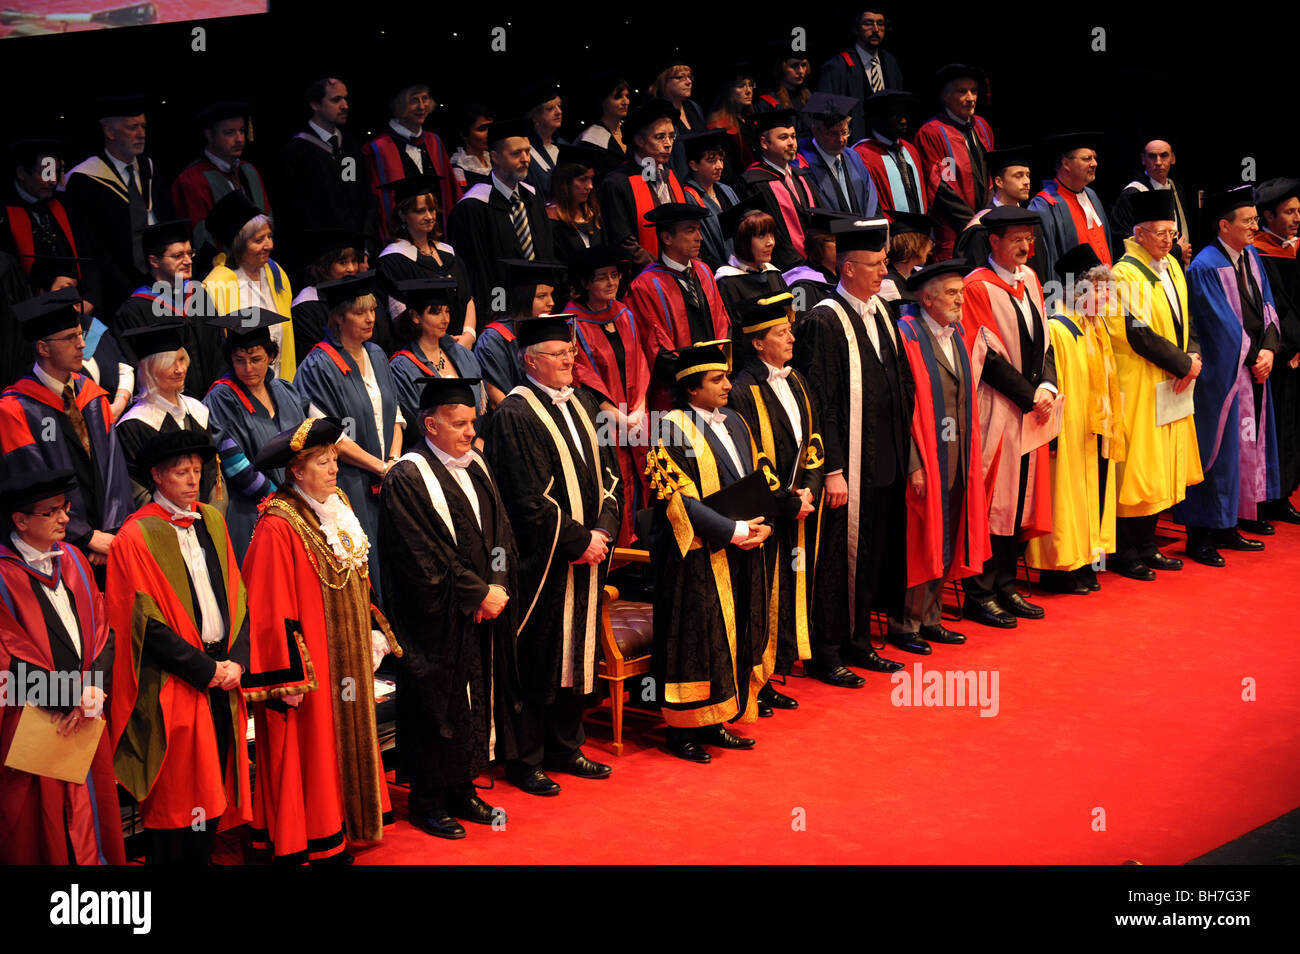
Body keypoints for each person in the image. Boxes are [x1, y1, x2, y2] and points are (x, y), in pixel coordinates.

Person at [241, 418, 400, 862]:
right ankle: (313, 835)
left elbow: (356, 576)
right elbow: (268, 604)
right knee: (312, 748)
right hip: (311, 667)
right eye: (322, 461)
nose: (334, 468)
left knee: (348, 738)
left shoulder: (338, 504)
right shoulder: (278, 523)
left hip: (347, 656)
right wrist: (287, 675)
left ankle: (346, 824)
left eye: (333, 458)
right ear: (296, 470)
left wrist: (371, 628)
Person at [480, 315, 620, 795]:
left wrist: (603, 529)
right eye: (558, 353)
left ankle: (566, 744)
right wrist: (579, 542)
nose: (568, 360)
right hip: (540, 563)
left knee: (575, 654)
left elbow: (612, 476)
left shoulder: (583, 403)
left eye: (570, 352)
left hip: (587, 557)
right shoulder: (515, 415)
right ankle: (526, 758)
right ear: (530, 360)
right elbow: (526, 498)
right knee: (538, 655)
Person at [379, 378, 517, 840]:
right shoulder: (407, 476)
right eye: (458, 425)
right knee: (437, 702)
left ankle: (463, 786)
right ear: (430, 424)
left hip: (480, 611)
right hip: (433, 617)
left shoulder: (476, 464)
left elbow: (500, 531)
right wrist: (475, 593)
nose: (469, 433)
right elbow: (420, 557)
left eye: (472, 423)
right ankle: (428, 799)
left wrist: (495, 586)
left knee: (474, 698)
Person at [107, 430, 251, 865]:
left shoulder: (212, 519)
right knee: (175, 802)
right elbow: (143, 625)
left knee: (211, 792)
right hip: (172, 681)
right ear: (156, 475)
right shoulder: (136, 535)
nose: (193, 479)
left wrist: (236, 662)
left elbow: (238, 595)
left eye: (196, 470)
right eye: (180, 472)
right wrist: (205, 670)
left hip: (221, 673)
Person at [792, 217, 914, 686]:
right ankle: (827, 651)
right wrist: (835, 469)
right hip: (847, 467)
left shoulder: (880, 310)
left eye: (884, 263)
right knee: (835, 561)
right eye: (876, 264)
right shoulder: (823, 320)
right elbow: (818, 402)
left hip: (883, 459)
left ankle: (861, 641)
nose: (884, 272)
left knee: (873, 553)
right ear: (847, 269)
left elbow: (898, 380)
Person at [644, 340, 775, 760]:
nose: (726, 385)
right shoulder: (667, 428)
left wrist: (763, 523)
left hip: (740, 545)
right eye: (716, 379)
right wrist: (732, 529)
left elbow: (758, 477)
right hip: (694, 556)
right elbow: (678, 500)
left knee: (730, 636)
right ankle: (681, 730)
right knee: (696, 638)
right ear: (691, 387)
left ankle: (718, 719)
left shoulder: (736, 421)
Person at [0, 469, 124, 865]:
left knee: (95, 817)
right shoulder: (3, 577)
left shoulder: (72, 560)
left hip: (86, 716)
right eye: (51, 512)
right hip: (35, 725)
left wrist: (92, 694)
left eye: (65, 508)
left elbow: (105, 633)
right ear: (20, 520)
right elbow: (6, 661)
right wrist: (70, 696)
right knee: (46, 832)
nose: (66, 519)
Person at [959, 206, 1057, 626]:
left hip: (1028, 408)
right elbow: (986, 354)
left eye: (1028, 239)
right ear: (993, 241)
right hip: (996, 408)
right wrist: (1028, 393)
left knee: (1016, 501)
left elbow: (1046, 341)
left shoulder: (1031, 280)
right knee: (991, 500)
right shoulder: (976, 287)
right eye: (1016, 239)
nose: (1024, 246)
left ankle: (1005, 584)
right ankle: (978, 594)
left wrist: (1048, 386)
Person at [726, 295, 824, 711]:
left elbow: (814, 441)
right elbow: (750, 458)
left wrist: (811, 487)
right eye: (781, 333)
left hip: (798, 506)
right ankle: (754, 680)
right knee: (761, 594)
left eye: (789, 330)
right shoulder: (741, 390)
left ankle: (775, 671)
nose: (790, 338)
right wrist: (786, 500)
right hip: (765, 511)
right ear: (757, 342)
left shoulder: (798, 380)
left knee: (789, 587)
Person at [1173, 187, 1281, 565]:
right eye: (1248, 221)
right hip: (1220, 379)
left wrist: (1269, 348)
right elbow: (1222, 326)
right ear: (1224, 225)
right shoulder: (1205, 266)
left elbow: (1267, 305)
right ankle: (1199, 536)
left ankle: (1228, 524)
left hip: (1249, 370)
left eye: (1255, 219)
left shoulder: (1250, 256)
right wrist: (1254, 356)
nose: (1255, 226)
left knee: (1241, 450)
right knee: (1215, 452)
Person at [888, 262, 988, 651]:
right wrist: (914, 462)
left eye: (960, 292)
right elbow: (901, 407)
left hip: (957, 453)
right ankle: (905, 624)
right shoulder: (907, 336)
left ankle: (931, 616)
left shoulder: (958, 333)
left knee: (946, 533)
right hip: (926, 456)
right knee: (919, 539)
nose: (959, 299)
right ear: (926, 298)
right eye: (951, 293)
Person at [0, 289, 133, 577]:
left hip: (109, 544)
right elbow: (33, 482)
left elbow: (115, 474)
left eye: (80, 334)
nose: (82, 344)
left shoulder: (92, 397)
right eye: (71, 337)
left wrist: (111, 534)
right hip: (55, 549)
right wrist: (85, 537)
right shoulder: (15, 409)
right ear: (43, 348)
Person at [1105, 188, 1203, 577]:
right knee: (1139, 467)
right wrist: (1182, 364)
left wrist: (1191, 355)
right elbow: (1135, 333)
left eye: (1172, 233)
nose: (1168, 241)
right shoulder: (1123, 273)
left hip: (1173, 378)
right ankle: (1127, 551)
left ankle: (1149, 545)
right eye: (1160, 233)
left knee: (1163, 463)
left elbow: (1186, 319)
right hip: (1141, 381)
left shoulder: (1174, 267)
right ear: (1139, 233)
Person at [293, 272, 403, 599]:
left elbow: (395, 414)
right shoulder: (318, 365)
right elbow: (332, 435)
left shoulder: (379, 355)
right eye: (359, 312)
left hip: (387, 478)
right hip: (349, 483)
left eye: (372, 310)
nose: (370, 318)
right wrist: (380, 467)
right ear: (338, 318)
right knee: (363, 569)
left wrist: (394, 461)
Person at [1025, 244, 1125, 594]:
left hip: (1095, 427)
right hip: (1068, 431)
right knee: (1066, 497)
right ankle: (1058, 570)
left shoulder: (1094, 327)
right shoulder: (1060, 329)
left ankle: (1084, 561)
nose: (1104, 296)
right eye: (1098, 289)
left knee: (1093, 492)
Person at [202, 308, 317, 562]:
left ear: (272, 356)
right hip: (253, 512)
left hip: (299, 504)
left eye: (256, 359)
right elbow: (234, 463)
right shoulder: (221, 398)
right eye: (239, 360)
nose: (248, 368)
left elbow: (306, 442)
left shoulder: (285, 390)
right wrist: (280, 501)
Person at [564, 246, 650, 546]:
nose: (611, 283)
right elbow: (581, 374)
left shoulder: (625, 314)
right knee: (614, 480)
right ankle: (618, 555)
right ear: (586, 283)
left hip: (635, 416)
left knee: (642, 477)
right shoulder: (572, 321)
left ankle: (641, 550)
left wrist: (638, 409)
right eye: (602, 278)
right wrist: (616, 415)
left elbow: (640, 362)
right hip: (602, 420)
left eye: (614, 276)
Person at [446, 117, 555, 318]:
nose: (525, 159)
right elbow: (480, 272)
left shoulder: (531, 197)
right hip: (500, 309)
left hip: (538, 307)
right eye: (516, 153)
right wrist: (500, 314)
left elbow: (546, 254)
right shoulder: (474, 206)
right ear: (494, 157)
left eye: (527, 151)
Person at [63, 95, 162, 316]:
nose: (142, 134)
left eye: (143, 126)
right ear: (110, 132)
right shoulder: (84, 180)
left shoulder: (149, 169)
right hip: (112, 293)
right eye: (132, 127)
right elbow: (88, 245)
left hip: (158, 284)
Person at [626, 203, 731, 410]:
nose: (699, 238)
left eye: (699, 230)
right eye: (690, 230)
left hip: (714, 388)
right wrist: (695, 381)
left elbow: (722, 322)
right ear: (667, 238)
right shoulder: (645, 285)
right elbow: (654, 346)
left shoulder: (704, 272)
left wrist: (715, 376)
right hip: (675, 393)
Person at [115, 323, 224, 510]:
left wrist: (211, 517)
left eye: (182, 360)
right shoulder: (134, 424)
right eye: (170, 363)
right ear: (150, 369)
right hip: (161, 526)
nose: (180, 369)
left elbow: (214, 476)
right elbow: (136, 489)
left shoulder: (197, 410)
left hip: (205, 520)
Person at [113, 218, 224, 398]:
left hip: (214, 400)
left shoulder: (198, 295)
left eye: (190, 253)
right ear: (154, 261)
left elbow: (220, 350)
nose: (188, 261)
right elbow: (136, 368)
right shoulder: (135, 310)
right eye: (178, 256)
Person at [274, 77, 371, 273]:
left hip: (352, 254)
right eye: (336, 100)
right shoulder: (297, 151)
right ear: (315, 104)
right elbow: (294, 212)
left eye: (345, 99)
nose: (345, 105)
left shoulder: (348, 145)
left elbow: (357, 197)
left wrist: (362, 250)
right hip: (317, 259)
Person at [201, 190, 297, 381]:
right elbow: (216, 350)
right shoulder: (216, 285)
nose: (268, 245)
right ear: (239, 245)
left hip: (280, 383)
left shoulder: (275, 272)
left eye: (269, 236)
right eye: (259, 240)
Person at [28, 254, 133, 422]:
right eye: (64, 288)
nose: (81, 343)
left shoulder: (92, 327)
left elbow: (124, 368)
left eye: (75, 288)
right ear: (42, 293)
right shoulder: (35, 340)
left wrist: (118, 405)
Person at [375, 174, 475, 350]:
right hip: (422, 351)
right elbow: (400, 316)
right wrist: (442, 343)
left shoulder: (447, 253)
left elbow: (467, 298)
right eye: (420, 211)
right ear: (402, 214)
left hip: (462, 347)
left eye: (432, 209)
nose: (429, 216)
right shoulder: (393, 260)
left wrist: (468, 335)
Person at [170, 101, 272, 271]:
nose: (239, 139)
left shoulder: (249, 170)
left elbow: (268, 215)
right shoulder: (192, 179)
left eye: (241, 131)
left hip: (260, 265)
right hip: (222, 273)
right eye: (229, 133)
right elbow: (200, 236)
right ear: (210, 135)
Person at [1251, 177, 1300, 524]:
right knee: (1275, 427)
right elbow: (1276, 307)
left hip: (1296, 353)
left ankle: (1283, 494)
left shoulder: (1293, 248)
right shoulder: (1259, 253)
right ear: (1268, 216)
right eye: (1289, 212)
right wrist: (1292, 347)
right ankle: (1267, 497)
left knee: (1293, 427)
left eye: (1299, 211)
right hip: (1278, 355)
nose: (1297, 217)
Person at [389, 277, 485, 441]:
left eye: (447, 311)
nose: (445, 319)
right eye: (435, 312)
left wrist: (477, 441)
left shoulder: (463, 355)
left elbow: (481, 411)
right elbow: (416, 421)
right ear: (415, 316)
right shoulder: (402, 367)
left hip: (473, 444)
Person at [913, 65, 994, 260]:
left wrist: (989, 215)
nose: (970, 98)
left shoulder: (982, 127)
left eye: (974, 91)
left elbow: (993, 174)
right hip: (954, 232)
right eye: (962, 91)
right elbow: (940, 187)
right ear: (945, 97)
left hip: (985, 226)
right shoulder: (932, 133)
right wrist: (973, 222)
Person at [364, 83, 461, 243]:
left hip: (437, 237)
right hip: (398, 241)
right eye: (414, 100)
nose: (422, 106)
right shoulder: (377, 149)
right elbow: (372, 205)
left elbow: (451, 190)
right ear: (399, 105)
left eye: (425, 99)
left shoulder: (434, 142)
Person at [598, 98, 687, 268]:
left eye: (671, 136)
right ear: (639, 140)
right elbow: (623, 241)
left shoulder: (672, 176)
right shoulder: (618, 183)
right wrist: (663, 268)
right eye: (660, 137)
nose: (668, 144)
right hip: (645, 276)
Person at [2, 139, 88, 304]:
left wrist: (91, 299)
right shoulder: (5, 213)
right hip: (27, 307)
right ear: (22, 173)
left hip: (77, 301)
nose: (53, 181)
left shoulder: (67, 205)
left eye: (56, 172)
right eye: (46, 173)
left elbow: (89, 255)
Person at [473, 259, 566, 407]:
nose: (551, 302)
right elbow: (500, 400)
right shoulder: (494, 339)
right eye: (541, 296)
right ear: (522, 298)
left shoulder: (544, 331)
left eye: (551, 295)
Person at [740, 109, 822, 271]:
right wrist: (799, 265)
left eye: (793, 136)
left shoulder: (801, 176)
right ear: (764, 143)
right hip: (784, 269)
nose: (791, 142)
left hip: (817, 263)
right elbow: (762, 232)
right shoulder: (753, 182)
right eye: (783, 137)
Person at [954, 145, 1048, 283]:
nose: (1027, 181)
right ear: (999, 182)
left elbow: (1040, 269)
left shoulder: (1032, 221)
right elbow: (976, 281)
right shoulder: (981, 227)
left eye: (1028, 175)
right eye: (1018, 176)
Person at [1029, 132, 1112, 285]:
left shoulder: (1092, 196)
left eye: (1094, 158)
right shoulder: (1045, 206)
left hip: (1103, 294)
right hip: (1074, 298)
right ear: (1066, 163)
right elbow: (1048, 263)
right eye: (1087, 158)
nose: (1094, 163)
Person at [816, 7, 905, 143]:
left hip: (887, 144)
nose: (875, 29)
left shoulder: (891, 63)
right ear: (856, 29)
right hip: (853, 146)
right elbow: (823, 115)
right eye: (868, 23)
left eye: (880, 24)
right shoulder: (836, 67)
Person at [1108, 140, 1194, 266]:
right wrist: (1175, 251)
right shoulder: (1133, 193)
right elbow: (1124, 241)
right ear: (1143, 159)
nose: (1158, 162)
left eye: (1164, 155)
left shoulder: (1177, 189)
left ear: (1173, 158)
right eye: (1152, 156)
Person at [713, 199, 790, 332]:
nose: (770, 242)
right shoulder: (727, 282)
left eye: (771, 234)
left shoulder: (773, 274)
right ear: (743, 241)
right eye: (761, 236)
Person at [798, 92, 878, 216]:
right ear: (816, 132)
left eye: (844, 132)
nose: (841, 139)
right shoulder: (804, 165)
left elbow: (871, 199)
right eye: (832, 133)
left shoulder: (853, 157)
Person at [290, 227, 366, 356]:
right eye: (343, 263)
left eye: (354, 261)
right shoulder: (307, 306)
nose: (351, 269)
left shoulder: (361, 296)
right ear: (324, 266)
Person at [852, 89, 927, 216]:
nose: (903, 121)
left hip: (918, 232)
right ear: (877, 118)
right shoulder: (860, 156)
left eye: (905, 115)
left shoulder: (910, 150)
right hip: (887, 233)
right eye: (895, 115)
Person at [682, 129, 743, 272]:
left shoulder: (726, 190)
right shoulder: (688, 198)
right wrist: (724, 270)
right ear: (693, 165)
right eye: (711, 161)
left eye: (721, 160)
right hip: (717, 272)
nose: (719, 166)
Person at [547, 144, 610, 264]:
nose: (590, 186)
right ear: (564, 182)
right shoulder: (550, 221)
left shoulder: (594, 216)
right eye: (583, 179)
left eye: (591, 179)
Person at [650, 62, 706, 183]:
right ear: (663, 81)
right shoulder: (656, 114)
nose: (688, 82)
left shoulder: (694, 108)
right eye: (680, 77)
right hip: (676, 182)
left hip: (702, 182)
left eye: (690, 77)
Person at [704, 64, 757, 179]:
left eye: (751, 85)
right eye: (741, 86)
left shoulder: (751, 120)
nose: (748, 91)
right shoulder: (719, 126)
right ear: (728, 91)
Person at [522, 79, 565, 199]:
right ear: (535, 117)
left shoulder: (563, 146)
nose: (559, 112)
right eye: (551, 108)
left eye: (559, 106)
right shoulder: (525, 152)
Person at [755, 50, 814, 140]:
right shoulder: (769, 102)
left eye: (803, 65)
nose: (801, 71)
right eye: (794, 66)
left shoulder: (809, 98)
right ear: (782, 68)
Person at [878, 211, 935, 303]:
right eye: (928, 242)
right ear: (916, 245)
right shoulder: (887, 285)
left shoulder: (919, 274)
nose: (931, 249)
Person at [576, 72, 630, 161]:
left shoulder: (630, 131)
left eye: (627, 96)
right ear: (603, 101)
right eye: (618, 97)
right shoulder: (591, 139)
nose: (626, 102)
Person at [449, 104, 495, 190]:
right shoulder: (459, 169)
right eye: (482, 129)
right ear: (464, 134)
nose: (489, 134)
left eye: (491, 128)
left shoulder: (496, 161)